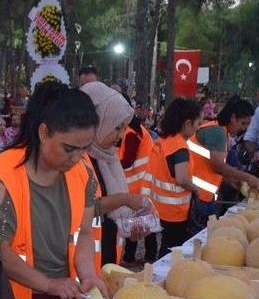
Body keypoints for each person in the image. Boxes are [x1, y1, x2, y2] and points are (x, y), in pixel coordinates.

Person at [0, 83, 107, 299]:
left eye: (85, 148)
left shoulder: (83, 174)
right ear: (44, 133)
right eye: (69, 148)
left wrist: (88, 274)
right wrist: (47, 284)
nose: (78, 157)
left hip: (65, 298)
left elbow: (85, 233)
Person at [80, 81, 154, 269]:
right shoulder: (76, 160)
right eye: (117, 127)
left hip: (107, 261)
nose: (121, 135)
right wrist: (124, 199)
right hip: (84, 266)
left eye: (123, 128)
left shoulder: (107, 158)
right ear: (98, 121)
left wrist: (130, 226)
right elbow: (79, 210)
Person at [187, 97, 259, 221]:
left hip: (202, 194)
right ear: (233, 117)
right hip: (198, 195)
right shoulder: (217, 132)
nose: (243, 129)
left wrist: (230, 180)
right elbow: (218, 166)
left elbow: (211, 164)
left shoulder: (219, 130)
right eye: (243, 123)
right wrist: (247, 177)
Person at [145, 98, 203, 256]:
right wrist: (195, 189)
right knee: (172, 249)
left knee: (165, 244)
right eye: (197, 124)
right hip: (175, 211)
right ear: (187, 124)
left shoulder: (162, 141)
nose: (197, 129)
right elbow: (182, 178)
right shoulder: (179, 147)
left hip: (159, 206)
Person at [120, 107, 159, 265]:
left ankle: (130, 257)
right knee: (144, 222)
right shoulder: (136, 129)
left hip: (137, 184)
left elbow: (127, 160)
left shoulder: (130, 133)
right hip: (144, 182)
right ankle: (149, 257)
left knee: (135, 223)